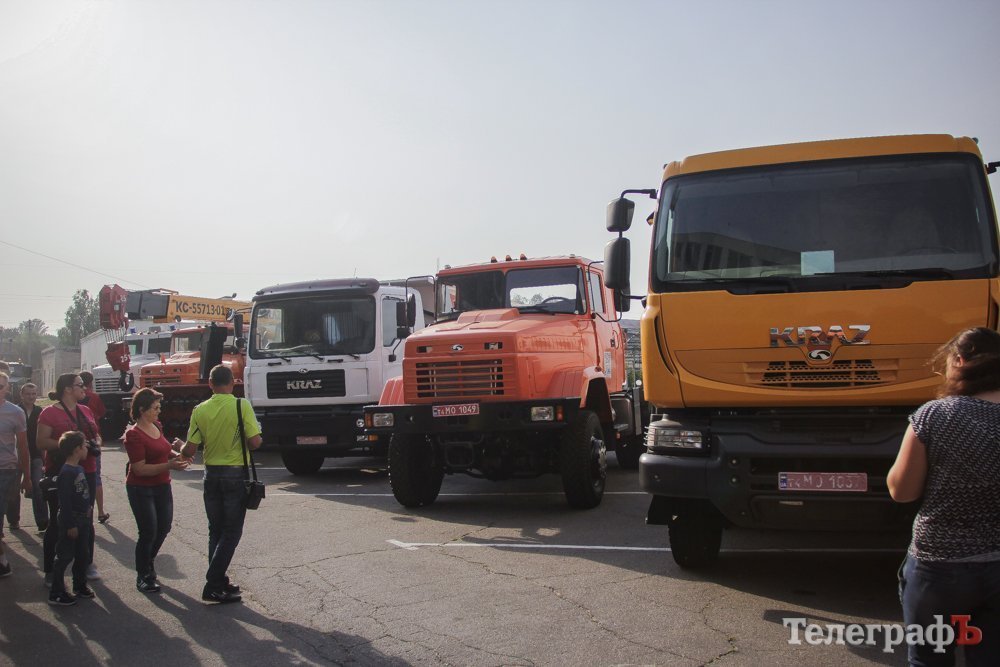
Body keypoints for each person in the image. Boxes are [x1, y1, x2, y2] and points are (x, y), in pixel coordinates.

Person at [888, 327, 1000, 667]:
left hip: (938, 565)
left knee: (929, 658)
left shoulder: (935, 415)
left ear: (961, 361)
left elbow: (902, 491)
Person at [179, 364, 261, 603]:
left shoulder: (199, 410)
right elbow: (255, 442)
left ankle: (219, 579)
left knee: (215, 529)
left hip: (211, 474)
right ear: (233, 382)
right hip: (234, 473)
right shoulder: (241, 405)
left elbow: (190, 449)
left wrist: (179, 447)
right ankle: (213, 581)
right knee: (232, 531)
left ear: (210, 384)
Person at [123, 388, 191, 593]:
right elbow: (139, 469)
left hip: (162, 485)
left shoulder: (157, 426)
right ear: (142, 409)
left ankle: (148, 561)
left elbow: (164, 449)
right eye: (155, 408)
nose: (159, 411)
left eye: (159, 407)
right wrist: (169, 465)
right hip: (141, 488)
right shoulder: (133, 435)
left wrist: (179, 455)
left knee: (164, 527)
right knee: (148, 531)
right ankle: (143, 574)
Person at [36, 373, 102, 584]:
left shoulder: (85, 410)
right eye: (80, 385)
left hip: (87, 469)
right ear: (67, 389)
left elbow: (96, 434)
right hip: (61, 472)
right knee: (58, 522)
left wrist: (95, 443)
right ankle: (50, 570)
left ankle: (85, 564)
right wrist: (69, 445)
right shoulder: (49, 413)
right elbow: (41, 442)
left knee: (86, 518)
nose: (85, 388)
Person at [48, 431, 95, 605]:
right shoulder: (67, 472)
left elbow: (82, 492)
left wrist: (88, 506)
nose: (87, 449)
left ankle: (80, 585)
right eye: (84, 446)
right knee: (65, 556)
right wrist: (70, 524)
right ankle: (57, 592)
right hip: (72, 519)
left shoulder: (79, 468)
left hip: (83, 518)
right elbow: (65, 501)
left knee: (83, 554)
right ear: (77, 449)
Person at [0, 372, 32, 578]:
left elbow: (23, 446)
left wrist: (27, 477)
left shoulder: (15, 412)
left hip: (6, 471)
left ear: (6, 388)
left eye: (0, 386)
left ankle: (2, 560)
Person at [79, 371, 110, 524]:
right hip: (92, 439)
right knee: (95, 475)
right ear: (91, 382)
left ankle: (81, 511)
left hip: (78, 440)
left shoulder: (74, 399)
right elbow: (102, 412)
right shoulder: (94, 397)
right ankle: (100, 511)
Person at [16, 383, 46, 533]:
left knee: (38, 487)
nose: (31, 397)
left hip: (35, 455)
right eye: (28, 394)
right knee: (13, 490)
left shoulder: (40, 412)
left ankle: (43, 521)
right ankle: (13, 519)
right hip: (16, 456)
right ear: (22, 395)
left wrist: (44, 459)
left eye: (34, 394)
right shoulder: (15, 410)